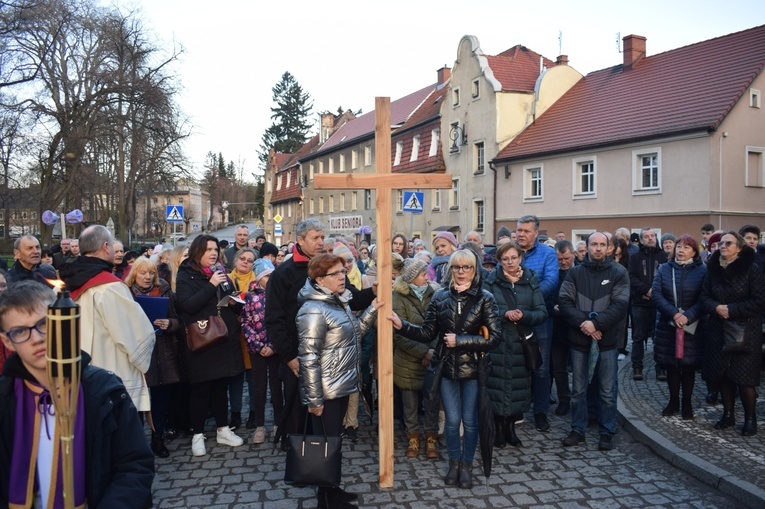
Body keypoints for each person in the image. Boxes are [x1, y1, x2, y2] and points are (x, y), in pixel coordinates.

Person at [0, 281, 154, 507]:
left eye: (44, 324)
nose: (37, 338)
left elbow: (134, 465)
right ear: (7, 341)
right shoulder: (5, 398)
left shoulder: (103, 390)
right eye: (20, 331)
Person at [390, 249, 501, 490]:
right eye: (456, 267)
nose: (461, 272)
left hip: (473, 369)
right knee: (451, 421)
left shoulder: (485, 298)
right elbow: (427, 332)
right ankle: (453, 463)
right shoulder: (440, 297)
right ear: (449, 270)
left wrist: (460, 341)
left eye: (467, 267)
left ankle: (467, 465)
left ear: (475, 270)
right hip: (447, 368)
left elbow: (495, 338)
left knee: (470, 421)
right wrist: (402, 325)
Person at [266, 219, 374, 451]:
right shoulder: (283, 273)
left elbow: (351, 296)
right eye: (315, 238)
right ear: (300, 240)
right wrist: (288, 356)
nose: (321, 242)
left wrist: (373, 293)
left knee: (324, 418)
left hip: (329, 359)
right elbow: (274, 319)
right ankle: (300, 460)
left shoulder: (328, 266)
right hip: (297, 354)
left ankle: (320, 463)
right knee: (297, 409)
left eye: (322, 238)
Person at [297, 254, 382, 509]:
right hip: (326, 390)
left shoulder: (338, 303)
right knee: (325, 444)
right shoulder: (312, 309)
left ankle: (332, 491)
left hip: (342, 385)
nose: (342, 277)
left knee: (333, 442)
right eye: (335, 274)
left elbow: (355, 334)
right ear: (320, 279)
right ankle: (326, 499)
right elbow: (308, 357)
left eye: (342, 272)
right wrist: (314, 399)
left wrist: (373, 310)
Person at [58, 225, 155, 413]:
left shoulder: (63, 285)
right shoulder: (110, 288)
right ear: (106, 247)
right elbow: (136, 335)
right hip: (112, 383)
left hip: (77, 379)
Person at [558, 232, 630, 451]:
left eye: (602, 245)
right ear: (586, 247)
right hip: (579, 341)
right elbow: (564, 301)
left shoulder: (618, 272)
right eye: (594, 244)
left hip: (607, 342)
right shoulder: (575, 273)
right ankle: (578, 429)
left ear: (609, 248)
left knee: (607, 390)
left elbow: (620, 304)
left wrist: (596, 325)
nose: (598, 248)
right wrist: (585, 324)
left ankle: (607, 431)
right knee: (578, 389)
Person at [175, 235, 245, 456]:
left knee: (220, 388)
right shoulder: (186, 274)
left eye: (215, 249)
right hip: (202, 339)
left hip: (223, 337)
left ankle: (223, 430)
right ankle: (197, 435)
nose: (213, 253)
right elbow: (187, 305)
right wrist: (211, 285)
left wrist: (235, 303)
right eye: (208, 250)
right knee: (201, 390)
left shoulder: (221, 272)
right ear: (197, 252)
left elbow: (230, 300)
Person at [700, 231, 765, 436]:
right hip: (718, 329)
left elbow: (758, 300)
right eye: (721, 243)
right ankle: (728, 415)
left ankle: (750, 418)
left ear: (739, 247)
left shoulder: (751, 269)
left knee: (745, 378)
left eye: (728, 243)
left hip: (745, 331)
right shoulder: (712, 269)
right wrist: (717, 308)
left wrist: (731, 309)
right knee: (723, 375)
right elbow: (704, 297)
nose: (723, 246)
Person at [484, 241, 547, 448]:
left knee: (518, 386)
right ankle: (497, 430)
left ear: (520, 258)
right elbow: (483, 311)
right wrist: (504, 314)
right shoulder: (490, 281)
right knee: (497, 386)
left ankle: (511, 428)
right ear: (499, 261)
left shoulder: (531, 280)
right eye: (505, 259)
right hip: (497, 343)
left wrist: (524, 315)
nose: (510, 262)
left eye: (513, 258)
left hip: (522, 343)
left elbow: (541, 312)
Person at [126, 257, 182, 457]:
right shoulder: (125, 292)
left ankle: (158, 439)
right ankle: (137, 442)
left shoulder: (164, 289)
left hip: (161, 351)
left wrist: (169, 324)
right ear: (134, 274)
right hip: (137, 351)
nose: (148, 277)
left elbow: (177, 319)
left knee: (159, 398)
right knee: (137, 399)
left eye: (151, 273)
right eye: (143, 273)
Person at [651, 235, 706, 420]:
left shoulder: (702, 271)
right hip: (668, 324)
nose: (681, 250)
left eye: (687, 247)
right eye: (679, 246)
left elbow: (703, 298)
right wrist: (674, 314)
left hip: (692, 326)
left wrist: (687, 316)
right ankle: (673, 401)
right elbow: (657, 294)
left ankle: (687, 403)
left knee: (688, 367)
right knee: (672, 366)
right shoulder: (664, 269)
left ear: (694, 251)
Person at [392, 258, 439, 459]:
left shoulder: (435, 294)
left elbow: (440, 326)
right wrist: (423, 352)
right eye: (422, 274)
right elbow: (399, 334)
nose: (426, 276)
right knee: (409, 403)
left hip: (433, 357)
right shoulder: (398, 298)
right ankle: (413, 438)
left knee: (431, 401)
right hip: (407, 361)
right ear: (411, 278)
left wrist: (432, 351)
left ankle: (430, 438)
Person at [515, 215, 558, 433]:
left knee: (540, 367)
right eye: (519, 230)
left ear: (536, 233)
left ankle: (540, 412)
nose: (520, 234)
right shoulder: (511, 253)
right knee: (518, 364)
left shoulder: (548, 254)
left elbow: (550, 282)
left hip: (540, 319)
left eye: (525, 231)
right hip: (514, 319)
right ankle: (518, 408)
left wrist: (526, 300)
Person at [242, 258, 283, 445]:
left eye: (271, 275)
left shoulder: (278, 295)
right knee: (259, 388)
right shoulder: (250, 296)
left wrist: (273, 346)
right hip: (256, 349)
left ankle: (278, 424)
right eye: (266, 276)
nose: (270, 279)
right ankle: (259, 425)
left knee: (276, 387)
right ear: (259, 278)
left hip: (275, 349)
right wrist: (259, 346)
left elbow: (282, 322)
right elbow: (246, 323)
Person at [628, 227, 668, 381]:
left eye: (653, 235)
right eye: (647, 236)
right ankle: (637, 367)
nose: (651, 238)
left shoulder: (664, 256)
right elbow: (631, 277)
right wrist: (646, 290)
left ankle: (661, 368)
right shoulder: (635, 257)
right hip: (639, 302)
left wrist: (655, 292)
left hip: (659, 304)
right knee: (638, 337)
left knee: (660, 337)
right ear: (642, 240)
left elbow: (666, 277)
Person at [227, 247, 258, 431]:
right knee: (235, 378)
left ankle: (254, 413)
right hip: (233, 335)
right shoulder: (227, 279)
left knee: (253, 378)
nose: (246, 262)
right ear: (236, 260)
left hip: (253, 335)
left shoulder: (258, 280)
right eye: (243, 258)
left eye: (250, 260)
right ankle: (236, 414)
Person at [551, 240, 575, 415]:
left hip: (577, 326)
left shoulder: (580, 272)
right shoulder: (552, 274)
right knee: (559, 367)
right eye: (560, 259)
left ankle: (581, 400)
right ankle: (564, 399)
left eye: (566, 258)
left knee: (580, 368)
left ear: (573, 255)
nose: (563, 262)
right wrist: (553, 307)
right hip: (557, 327)